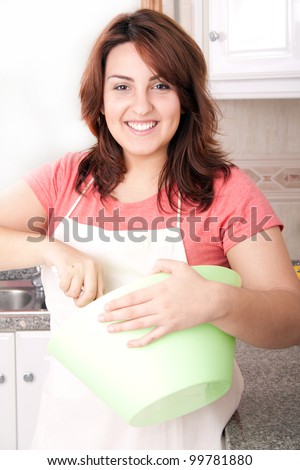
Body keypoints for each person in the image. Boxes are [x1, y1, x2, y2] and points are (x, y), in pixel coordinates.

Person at [0, 8, 299, 450]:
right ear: (101, 99)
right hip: (70, 436)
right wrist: (52, 250)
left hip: (184, 440)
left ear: (186, 97)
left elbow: (290, 319)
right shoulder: (66, 179)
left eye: (161, 85)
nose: (141, 106)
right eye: (122, 87)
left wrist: (216, 300)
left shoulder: (226, 191)